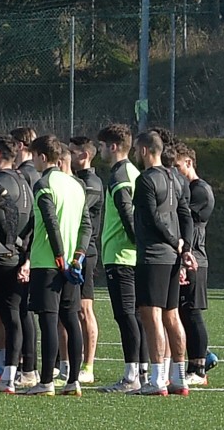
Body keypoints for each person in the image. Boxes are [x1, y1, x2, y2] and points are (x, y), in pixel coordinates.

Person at [26, 135, 89, 395]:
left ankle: (46, 382)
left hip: (47, 261)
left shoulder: (43, 184)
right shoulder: (76, 185)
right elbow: (86, 224)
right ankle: (73, 380)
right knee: (71, 318)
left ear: (42, 157)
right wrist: (78, 257)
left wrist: (60, 256)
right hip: (72, 264)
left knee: (49, 321)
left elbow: (50, 222)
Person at [130, 129, 189, 396]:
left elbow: (152, 218)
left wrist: (173, 240)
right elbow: (185, 214)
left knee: (151, 314)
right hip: (173, 256)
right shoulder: (177, 178)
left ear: (144, 150)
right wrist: (184, 246)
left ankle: (157, 379)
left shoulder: (145, 180)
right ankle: (179, 377)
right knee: (171, 314)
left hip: (154, 254)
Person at [0, 134, 37, 392]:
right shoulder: (24, 181)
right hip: (19, 256)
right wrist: (26, 255)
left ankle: (7, 373)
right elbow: (33, 222)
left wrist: (8, 244)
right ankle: (13, 371)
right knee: (12, 315)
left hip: (1, 257)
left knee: (6, 315)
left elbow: (0, 218)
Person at [93, 123, 143, 391]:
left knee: (126, 316)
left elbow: (127, 214)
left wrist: (138, 241)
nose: (99, 150)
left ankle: (132, 375)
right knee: (134, 314)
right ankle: (143, 370)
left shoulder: (119, 176)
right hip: (129, 255)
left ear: (113, 146)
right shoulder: (132, 172)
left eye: (101, 145)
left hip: (122, 256)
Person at [170, 140, 215, 383]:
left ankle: (199, 368)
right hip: (185, 258)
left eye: (177, 166)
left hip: (194, 259)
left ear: (189, 163)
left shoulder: (199, 191)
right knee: (181, 312)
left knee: (192, 312)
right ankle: (200, 358)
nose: (175, 172)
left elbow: (185, 221)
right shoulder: (185, 190)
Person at [68, 136, 103, 385]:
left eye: (72, 152)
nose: (67, 156)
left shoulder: (91, 183)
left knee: (85, 309)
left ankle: (88, 366)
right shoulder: (78, 181)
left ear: (84, 155)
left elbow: (73, 209)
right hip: (73, 251)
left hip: (86, 252)